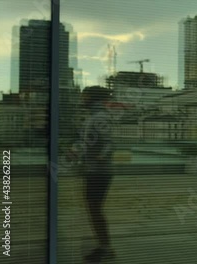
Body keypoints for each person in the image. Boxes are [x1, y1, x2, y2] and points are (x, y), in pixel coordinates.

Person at [79, 86, 116, 262]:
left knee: (95, 208)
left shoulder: (100, 117)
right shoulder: (94, 117)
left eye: (84, 96)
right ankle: (104, 246)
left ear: (92, 98)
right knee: (93, 208)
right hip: (94, 170)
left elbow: (109, 142)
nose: (82, 99)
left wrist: (101, 156)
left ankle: (105, 247)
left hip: (99, 171)